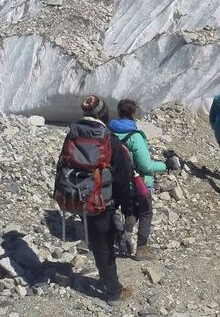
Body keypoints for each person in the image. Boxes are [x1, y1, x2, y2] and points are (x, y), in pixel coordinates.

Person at [55, 95, 135, 302]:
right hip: (102, 201)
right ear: (104, 114)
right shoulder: (110, 140)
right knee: (105, 245)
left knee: (96, 239)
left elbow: (63, 165)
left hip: (78, 196)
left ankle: (106, 279)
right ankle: (113, 290)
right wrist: (127, 209)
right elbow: (123, 177)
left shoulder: (72, 135)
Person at [109, 99, 170, 261]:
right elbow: (145, 166)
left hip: (116, 183)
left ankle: (125, 234)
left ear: (119, 112)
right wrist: (165, 165)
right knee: (146, 212)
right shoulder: (135, 137)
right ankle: (141, 248)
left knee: (130, 210)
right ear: (134, 113)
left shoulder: (109, 134)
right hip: (137, 183)